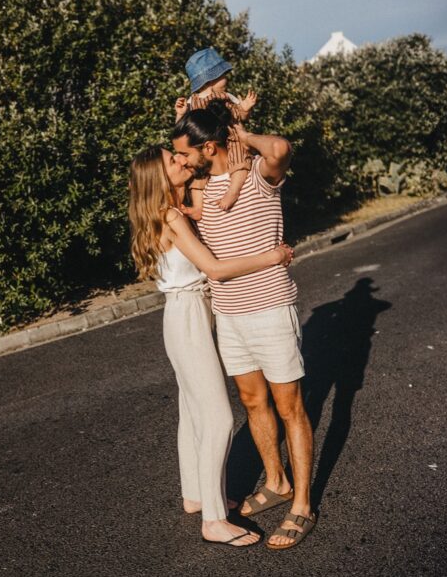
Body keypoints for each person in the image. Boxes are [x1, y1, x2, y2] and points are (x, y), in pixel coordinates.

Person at [128, 145, 294, 547]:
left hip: (184, 314)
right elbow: (215, 269)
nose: (183, 161)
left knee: (192, 410)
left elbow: (196, 161)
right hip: (189, 317)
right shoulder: (171, 216)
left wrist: (184, 116)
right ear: (158, 178)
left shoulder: (170, 210)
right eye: (173, 161)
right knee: (218, 417)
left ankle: (197, 496)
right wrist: (271, 256)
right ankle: (214, 521)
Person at [172, 106, 317, 550]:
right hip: (230, 315)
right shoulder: (202, 189)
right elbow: (173, 167)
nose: (183, 160)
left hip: (270, 308)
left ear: (210, 147)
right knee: (253, 403)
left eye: (186, 152)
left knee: (289, 407)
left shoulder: (257, 175)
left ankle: (303, 506)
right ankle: (277, 482)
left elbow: (281, 147)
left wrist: (241, 130)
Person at [174, 47, 257, 216]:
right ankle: (198, 207)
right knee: (198, 173)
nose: (226, 78)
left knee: (240, 160)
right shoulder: (191, 102)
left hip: (231, 140)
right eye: (223, 75)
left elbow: (239, 115)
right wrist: (180, 114)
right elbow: (182, 128)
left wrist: (245, 109)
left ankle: (233, 191)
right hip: (204, 146)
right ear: (211, 79)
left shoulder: (227, 96)